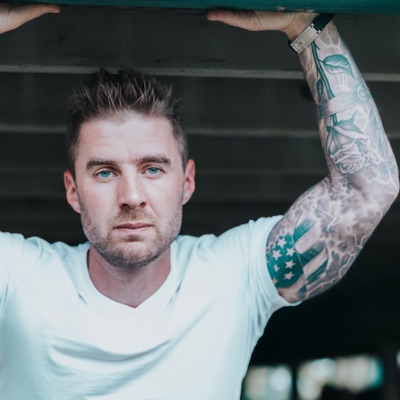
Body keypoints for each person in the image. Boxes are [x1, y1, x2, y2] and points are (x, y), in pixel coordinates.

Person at [0, 3, 398, 400]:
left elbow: (366, 190)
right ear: (73, 190)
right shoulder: (19, 280)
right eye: (105, 172)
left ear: (187, 182)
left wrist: (307, 27)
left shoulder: (233, 278)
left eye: (152, 169)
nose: (132, 196)